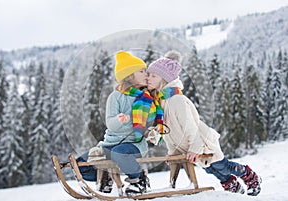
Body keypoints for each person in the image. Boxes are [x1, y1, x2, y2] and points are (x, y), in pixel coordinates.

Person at [146, 50, 262, 196]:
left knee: (222, 165)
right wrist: (173, 153)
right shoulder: (162, 101)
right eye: (148, 74)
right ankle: (232, 186)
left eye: (153, 75)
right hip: (191, 147)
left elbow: (190, 127)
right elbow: (169, 132)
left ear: (164, 79)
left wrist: (195, 148)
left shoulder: (177, 100)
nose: (148, 78)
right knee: (210, 169)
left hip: (202, 142)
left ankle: (249, 175)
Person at [77, 51, 162, 195]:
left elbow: (148, 123)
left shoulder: (146, 98)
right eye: (142, 71)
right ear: (129, 75)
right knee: (80, 164)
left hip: (134, 144)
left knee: (119, 153)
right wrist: (119, 120)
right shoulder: (115, 97)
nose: (146, 74)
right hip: (110, 143)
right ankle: (107, 174)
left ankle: (138, 180)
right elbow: (111, 124)